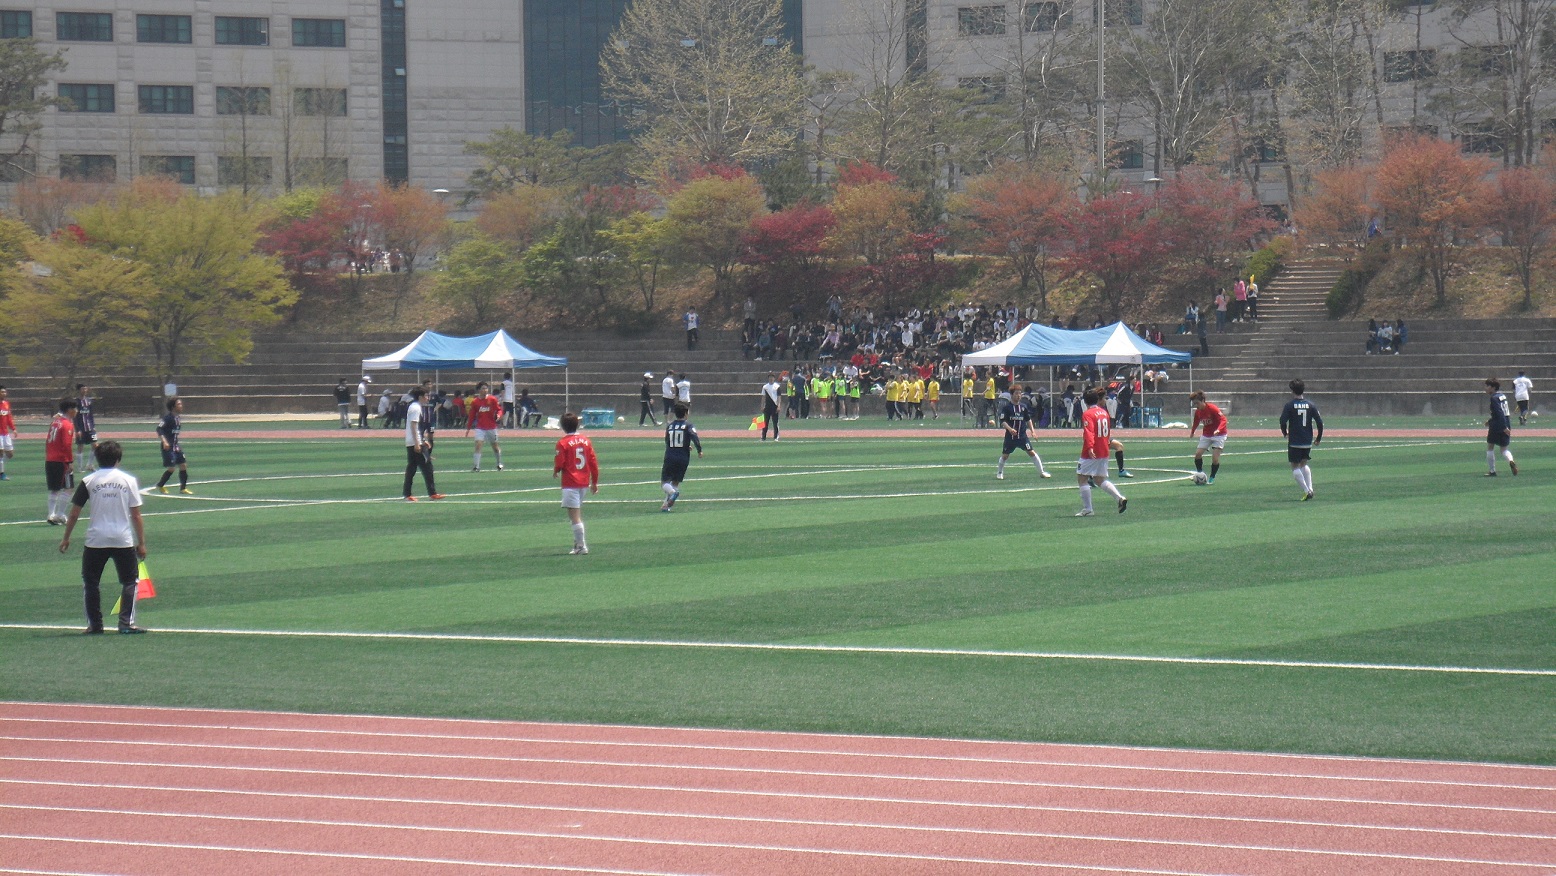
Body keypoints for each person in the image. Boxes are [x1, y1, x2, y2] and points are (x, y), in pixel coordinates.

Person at [57, 440, 148, 634]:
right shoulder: (128, 480)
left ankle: (95, 625)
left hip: (95, 539)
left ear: (98, 459)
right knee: (130, 581)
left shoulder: (89, 481)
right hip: (122, 539)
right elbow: (136, 515)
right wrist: (141, 543)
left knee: (91, 582)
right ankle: (125, 623)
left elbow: (74, 513)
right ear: (118, 459)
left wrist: (66, 537)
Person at [552, 411, 599, 553]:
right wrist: (594, 482)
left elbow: (560, 461)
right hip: (583, 482)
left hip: (570, 482)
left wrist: (556, 470)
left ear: (562, 426)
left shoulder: (563, 443)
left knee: (574, 516)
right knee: (576, 514)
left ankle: (581, 546)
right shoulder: (586, 441)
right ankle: (578, 543)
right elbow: (593, 462)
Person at [1077, 387, 1127, 516]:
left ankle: (1088, 509)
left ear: (1085, 402)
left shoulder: (1088, 414)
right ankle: (1119, 498)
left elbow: (1089, 432)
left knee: (1082, 479)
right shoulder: (1104, 412)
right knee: (1100, 480)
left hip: (1092, 452)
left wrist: (1090, 447)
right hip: (1104, 450)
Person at [1279, 379, 1323, 501]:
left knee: (1295, 466)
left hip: (1294, 440)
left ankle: (1306, 490)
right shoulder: (1311, 405)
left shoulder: (1289, 405)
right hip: (1307, 440)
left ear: (1292, 391)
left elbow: (1282, 421)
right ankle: (1311, 489)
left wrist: (1285, 433)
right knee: (1304, 464)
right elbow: (1319, 422)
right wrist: (1318, 438)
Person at [995, 385, 1052, 480]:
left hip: (1022, 437)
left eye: (1020, 393)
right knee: (1005, 456)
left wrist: (1033, 432)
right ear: (1011, 395)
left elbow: (1028, 420)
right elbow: (1003, 421)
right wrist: (1010, 429)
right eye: (1016, 393)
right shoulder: (1007, 408)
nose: (1018, 395)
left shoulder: (1023, 407)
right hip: (1011, 437)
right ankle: (999, 472)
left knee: (1032, 452)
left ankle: (1042, 472)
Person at [402, 388, 445, 501]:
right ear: (420, 396)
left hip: (412, 441)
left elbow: (416, 428)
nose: (428, 398)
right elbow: (414, 426)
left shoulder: (414, 406)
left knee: (412, 468)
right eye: (426, 395)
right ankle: (432, 493)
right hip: (415, 442)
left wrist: (422, 439)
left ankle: (407, 494)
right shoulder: (416, 408)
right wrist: (418, 443)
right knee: (427, 467)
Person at [659, 402, 703, 510]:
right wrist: (699, 450)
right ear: (686, 414)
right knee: (675, 481)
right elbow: (694, 437)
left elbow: (668, 440)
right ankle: (666, 506)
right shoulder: (688, 425)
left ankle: (672, 493)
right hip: (683, 458)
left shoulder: (670, 426)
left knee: (665, 482)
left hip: (670, 455)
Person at [152, 397, 194, 496]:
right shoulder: (168, 418)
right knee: (172, 468)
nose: (181, 406)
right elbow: (159, 429)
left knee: (183, 465)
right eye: (179, 404)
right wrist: (164, 441)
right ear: (173, 406)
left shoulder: (178, 419)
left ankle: (183, 488)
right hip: (168, 447)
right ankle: (160, 485)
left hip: (176, 446)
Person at [46, 399, 77, 524]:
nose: (76, 411)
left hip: (50, 459)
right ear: (70, 410)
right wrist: (69, 461)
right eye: (75, 409)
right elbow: (66, 445)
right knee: (68, 488)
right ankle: (60, 514)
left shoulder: (55, 422)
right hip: (61, 460)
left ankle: (50, 514)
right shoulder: (67, 424)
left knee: (55, 489)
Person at [1188, 390, 1228, 484]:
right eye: (1194, 404)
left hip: (1219, 435)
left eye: (1197, 403)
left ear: (1203, 401)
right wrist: (1192, 432)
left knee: (1215, 459)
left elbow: (1223, 420)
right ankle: (1200, 474)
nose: (1196, 406)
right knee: (1198, 455)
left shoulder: (1212, 408)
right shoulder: (1198, 412)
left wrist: (1218, 429)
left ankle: (1212, 477)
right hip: (1206, 434)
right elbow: (1196, 422)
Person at [465, 381, 504, 471]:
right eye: (483, 388)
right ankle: (476, 466)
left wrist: (498, 415)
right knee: (478, 444)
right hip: (480, 427)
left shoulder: (492, 399)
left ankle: (499, 463)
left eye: (486, 388)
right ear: (479, 390)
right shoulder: (475, 402)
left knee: (495, 446)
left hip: (491, 427)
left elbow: (499, 410)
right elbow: (472, 415)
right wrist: (468, 428)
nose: (485, 390)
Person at [1484, 378, 1518, 476]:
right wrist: (1505, 426)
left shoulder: (1493, 398)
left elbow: (1499, 413)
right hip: (1506, 423)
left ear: (1493, 387)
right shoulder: (1502, 396)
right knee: (1504, 449)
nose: (1485, 388)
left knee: (1490, 447)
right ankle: (1511, 461)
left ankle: (1492, 471)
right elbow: (1503, 413)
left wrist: (1502, 426)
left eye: (1487, 386)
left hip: (1497, 426)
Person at [73, 384, 98, 472]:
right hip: (81, 428)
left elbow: (91, 415)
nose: (85, 390)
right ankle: (80, 467)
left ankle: (90, 465)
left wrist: (93, 426)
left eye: (86, 388)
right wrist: (77, 429)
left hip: (90, 428)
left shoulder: (89, 401)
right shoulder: (76, 402)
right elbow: (74, 417)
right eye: (83, 389)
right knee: (80, 446)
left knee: (95, 445)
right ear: (79, 390)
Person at [760, 372, 781, 440]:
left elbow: (779, 397)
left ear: (774, 378)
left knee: (775, 422)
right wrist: (762, 405)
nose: (771, 378)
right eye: (770, 377)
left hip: (774, 405)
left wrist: (778, 406)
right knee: (765, 422)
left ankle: (776, 436)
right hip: (767, 406)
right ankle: (763, 437)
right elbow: (763, 397)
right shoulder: (765, 387)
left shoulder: (777, 386)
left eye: (772, 377)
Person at [0, 385, 14, 481]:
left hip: (5, 433)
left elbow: (9, 418)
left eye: (5, 392)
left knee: (10, 454)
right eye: (2, 392)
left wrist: (14, 429)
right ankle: (2, 474)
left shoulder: (6, 404)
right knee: (0, 452)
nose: (4, 393)